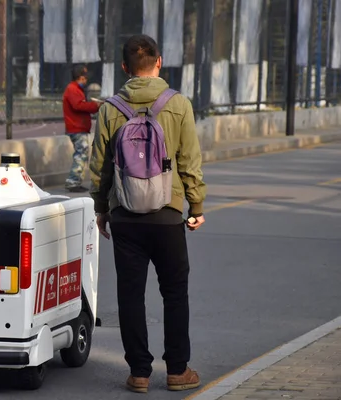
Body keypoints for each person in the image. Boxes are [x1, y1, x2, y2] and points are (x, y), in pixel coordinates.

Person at [89, 34, 207, 393]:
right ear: (160, 62)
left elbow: (99, 166)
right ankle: (177, 370)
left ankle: (139, 372)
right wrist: (195, 206)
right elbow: (189, 161)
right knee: (174, 292)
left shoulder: (110, 108)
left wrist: (101, 208)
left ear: (124, 68)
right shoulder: (179, 104)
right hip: (167, 213)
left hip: (125, 213)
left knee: (130, 294)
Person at [62, 65, 101, 192]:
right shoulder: (72, 89)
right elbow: (78, 106)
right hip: (76, 128)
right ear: (79, 77)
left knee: (81, 154)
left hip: (79, 127)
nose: (86, 81)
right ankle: (73, 181)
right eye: (84, 78)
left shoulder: (75, 89)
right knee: (81, 154)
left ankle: (75, 180)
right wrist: (95, 106)